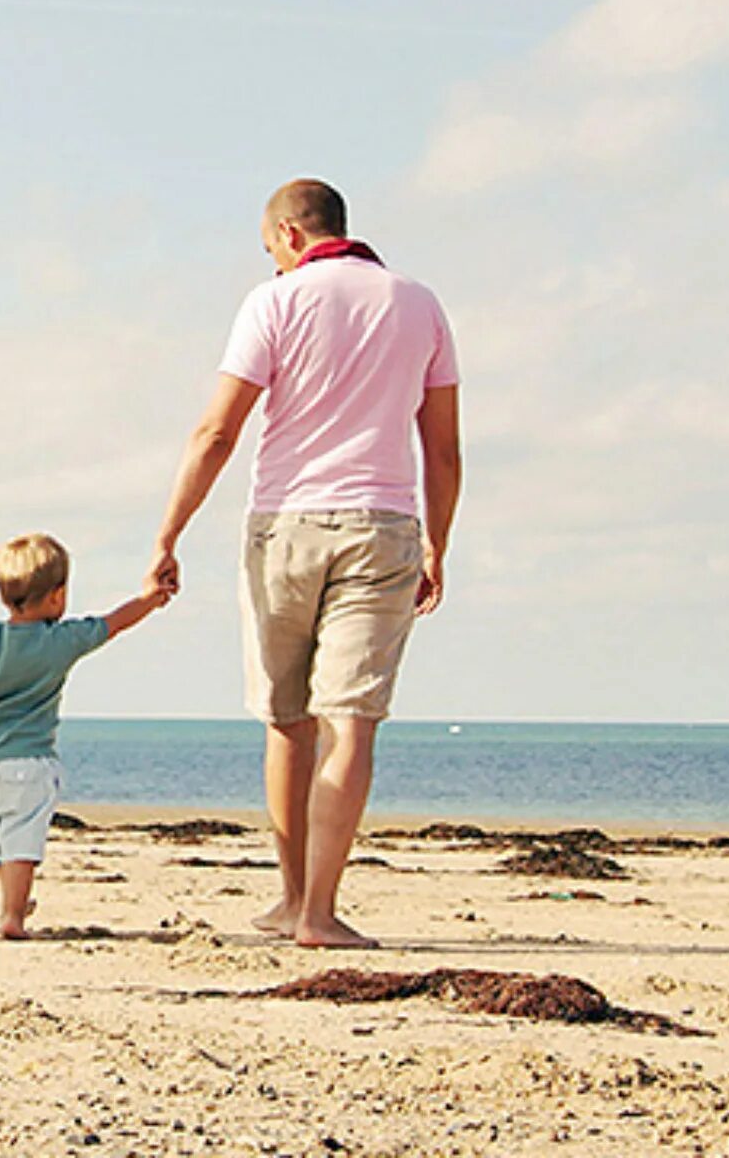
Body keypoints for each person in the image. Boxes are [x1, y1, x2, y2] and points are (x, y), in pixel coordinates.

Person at [146, 178, 462, 949]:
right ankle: (318, 911)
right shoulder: (418, 303)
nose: (273, 264)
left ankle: (293, 901)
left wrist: (169, 534)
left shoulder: (274, 302)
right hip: (384, 522)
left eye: (269, 251)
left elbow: (217, 432)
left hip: (285, 525)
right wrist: (438, 544)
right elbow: (444, 449)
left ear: (290, 235)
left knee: (287, 721)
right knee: (350, 722)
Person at [0, 534, 168, 939]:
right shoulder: (62, 640)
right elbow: (114, 622)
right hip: (29, 760)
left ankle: (13, 902)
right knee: (23, 838)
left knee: (1, 839)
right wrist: (151, 599)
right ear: (57, 596)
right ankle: (13, 915)